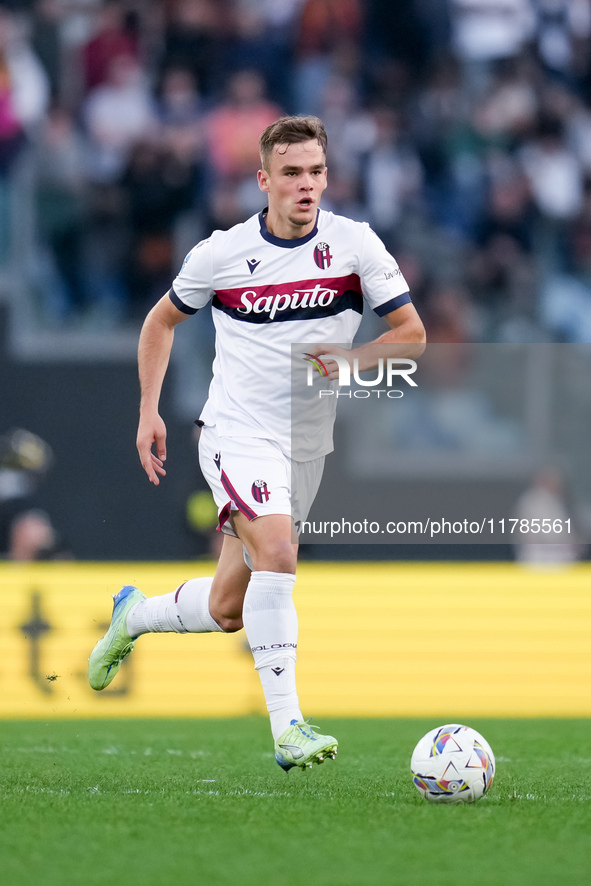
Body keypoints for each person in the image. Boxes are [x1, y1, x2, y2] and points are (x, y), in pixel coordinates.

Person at [88, 115, 425, 771]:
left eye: (317, 172)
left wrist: (350, 361)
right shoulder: (222, 253)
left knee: (225, 609)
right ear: (263, 179)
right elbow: (160, 323)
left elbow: (410, 334)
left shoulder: (355, 246)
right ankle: (287, 727)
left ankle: (132, 616)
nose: (306, 185)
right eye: (292, 173)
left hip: (304, 448)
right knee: (277, 549)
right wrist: (148, 410)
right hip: (235, 433)